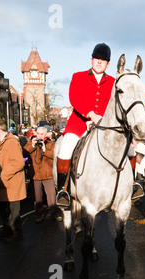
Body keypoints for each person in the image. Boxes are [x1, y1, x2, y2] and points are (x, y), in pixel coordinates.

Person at [56, 43, 115, 207]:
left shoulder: (112, 82)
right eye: (97, 58)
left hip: (104, 126)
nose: (99, 62)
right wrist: (90, 114)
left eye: (103, 60)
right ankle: (63, 190)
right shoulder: (78, 76)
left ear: (107, 64)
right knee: (66, 146)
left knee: (128, 149)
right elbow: (74, 98)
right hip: (79, 123)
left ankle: (131, 186)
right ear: (91, 60)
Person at [0, 118, 26, 242]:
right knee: (4, 209)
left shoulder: (11, 142)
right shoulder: (0, 142)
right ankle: (7, 230)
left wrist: (3, 175)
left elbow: (18, 163)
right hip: (3, 184)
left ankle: (16, 232)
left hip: (10, 184)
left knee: (13, 212)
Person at [23, 126, 61, 223]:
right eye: (38, 133)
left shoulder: (51, 143)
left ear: (46, 134)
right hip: (35, 174)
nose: (40, 135)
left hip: (47, 174)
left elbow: (54, 156)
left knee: (51, 195)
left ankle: (54, 213)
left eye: (42, 134)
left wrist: (44, 150)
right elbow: (23, 153)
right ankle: (39, 214)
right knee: (37, 197)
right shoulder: (30, 142)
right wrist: (32, 145)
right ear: (36, 134)